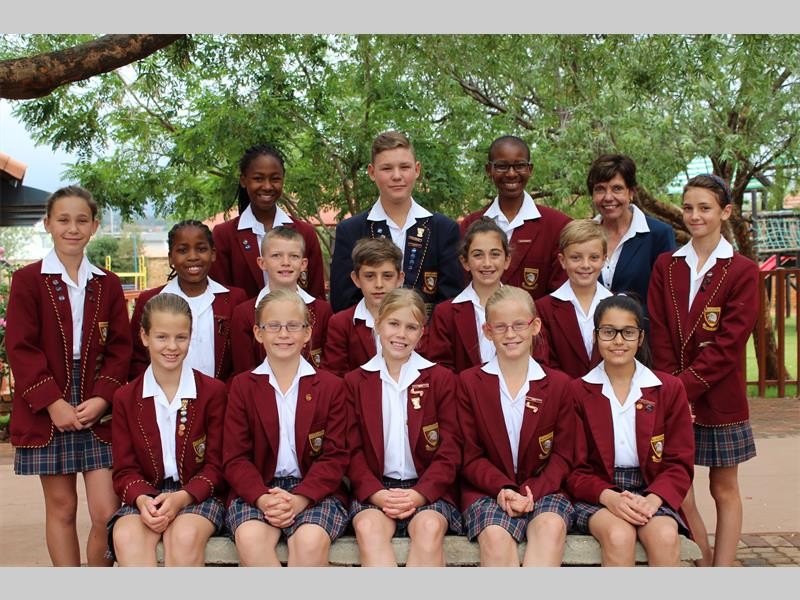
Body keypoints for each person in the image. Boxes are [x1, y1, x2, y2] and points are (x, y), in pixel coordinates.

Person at [5, 185, 132, 566]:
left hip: (97, 397)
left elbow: (121, 348)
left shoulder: (107, 283)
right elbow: (20, 346)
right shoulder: (28, 280)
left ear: (95, 226)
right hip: (47, 398)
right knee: (62, 507)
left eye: (81, 220)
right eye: (63, 220)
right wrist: (52, 403)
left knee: (106, 512)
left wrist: (103, 398)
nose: (72, 228)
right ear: (47, 224)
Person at [648, 174, 758, 567]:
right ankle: (704, 565)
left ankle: (721, 575)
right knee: (679, 491)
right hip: (672, 394)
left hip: (720, 397)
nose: (695, 215)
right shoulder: (666, 265)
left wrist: (684, 388)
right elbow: (659, 331)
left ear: (725, 212)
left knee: (723, 488)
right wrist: (672, 390)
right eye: (688, 207)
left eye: (705, 208)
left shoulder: (742, 270)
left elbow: (729, 344)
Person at [224, 289, 349, 566]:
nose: (283, 334)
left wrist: (301, 497)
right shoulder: (242, 386)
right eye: (273, 326)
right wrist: (262, 498)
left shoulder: (330, 387)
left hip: (316, 491)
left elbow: (335, 456)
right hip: (258, 490)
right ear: (258, 333)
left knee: (309, 541)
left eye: (293, 325)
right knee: (250, 538)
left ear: (307, 333)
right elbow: (235, 458)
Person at [567, 295, 694, 567]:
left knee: (665, 536)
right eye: (608, 332)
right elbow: (574, 468)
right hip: (599, 491)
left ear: (640, 337)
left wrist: (653, 500)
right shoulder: (577, 392)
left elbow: (679, 462)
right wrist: (609, 497)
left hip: (652, 489)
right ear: (595, 336)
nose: (618, 341)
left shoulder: (668, 389)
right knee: (618, 535)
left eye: (628, 332)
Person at [345, 288, 463, 566]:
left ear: (421, 333)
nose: (401, 334)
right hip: (376, 488)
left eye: (411, 327)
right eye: (393, 324)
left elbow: (451, 448)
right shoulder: (355, 382)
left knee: (429, 528)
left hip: (428, 488)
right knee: (368, 528)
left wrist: (420, 493)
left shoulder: (441, 379)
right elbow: (351, 450)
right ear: (378, 325)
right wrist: (377, 494)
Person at [458, 286, 573, 567]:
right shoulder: (469, 383)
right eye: (500, 327)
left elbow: (563, 455)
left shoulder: (559, 384)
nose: (510, 334)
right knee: (495, 537)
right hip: (488, 490)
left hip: (544, 488)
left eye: (519, 325)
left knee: (550, 529)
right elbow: (469, 456)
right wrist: (504, 488)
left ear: (535, 326)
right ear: (487, 331)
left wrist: (531, 490)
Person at [108, 294, 227, 566]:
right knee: (126, 535)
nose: (172, 347)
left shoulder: (213, 392)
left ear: (190, 337)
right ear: (144, 336)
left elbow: (218, 466)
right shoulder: (126, 397)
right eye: (161, 337)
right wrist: (142, 500)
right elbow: (124, 470)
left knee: (184, 536)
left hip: (198, 493)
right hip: (147, 494)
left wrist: (182, 498)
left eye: (181, 337)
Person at [329, 130, 462, 314]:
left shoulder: (444, 229)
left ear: (417, 170)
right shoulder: (350, 230)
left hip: (429, 331)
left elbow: (451, 301)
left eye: (404, 167)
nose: (397, 176)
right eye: (387, 168)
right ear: (372, 172)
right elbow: (343, 301)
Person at [128, 220, 246, 381]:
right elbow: (137, 359)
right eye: (183, 250)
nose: (193, 257)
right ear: (171, 257)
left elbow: (241, 360)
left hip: (223, 395)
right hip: (164, 395)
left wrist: (225, 393)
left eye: (201, 249)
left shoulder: (234, 299)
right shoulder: (150, 300)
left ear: (213, 254)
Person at [460, 135, 571, 300]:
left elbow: (560, 295)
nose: (511, 173)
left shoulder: (557, 226)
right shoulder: (470, 225)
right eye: (501, 166)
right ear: (489, 170)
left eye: (519, 166)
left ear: (530, 169)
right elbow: (462, 285)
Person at [209, 143, 325, 300]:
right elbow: (222, 298)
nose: (267, 186)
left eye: (275, 179)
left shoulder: (305, 232)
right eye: (258, 179)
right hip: (245, 316)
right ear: (243, 180)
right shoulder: (224, 235)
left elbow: (316, 296)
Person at [230, 226, 331, 374]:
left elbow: (328, 369)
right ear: (262, 263)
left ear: (304, 264)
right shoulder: (244, 313)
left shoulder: (322, 310)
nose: (286, 262)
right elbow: (245, 371)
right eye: (276, 255)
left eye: (294, 256)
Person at [588, 154, 676, 317]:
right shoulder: (584, 236)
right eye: (600, 189)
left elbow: (668, 296)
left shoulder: (658, 234)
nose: (608, 197)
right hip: (590, 330)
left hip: (643, 330)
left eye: (617, 188)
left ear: (631, 192)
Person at [424, 217, 513, 372]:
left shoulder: (523, 307)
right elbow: (441, 370)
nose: (487, 263)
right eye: (478, 255)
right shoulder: (446, 313)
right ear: (465, 262)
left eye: (495, 254)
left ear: (507, 260)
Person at [536, 219, 612, 378]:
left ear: (604, 259)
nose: (585, 265)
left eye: (594, 257)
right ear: (562, 260)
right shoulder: (543, 309)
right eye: (576, 258)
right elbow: (545, 362)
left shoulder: (618, 305)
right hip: (563, 391)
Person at [321, 237, 404, 378]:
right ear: (356, 279)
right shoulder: (341, 324)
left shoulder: (413, 320)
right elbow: (334, 377)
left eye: (387, 276)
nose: (379, 284)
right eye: (370, 276)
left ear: (399, 279)